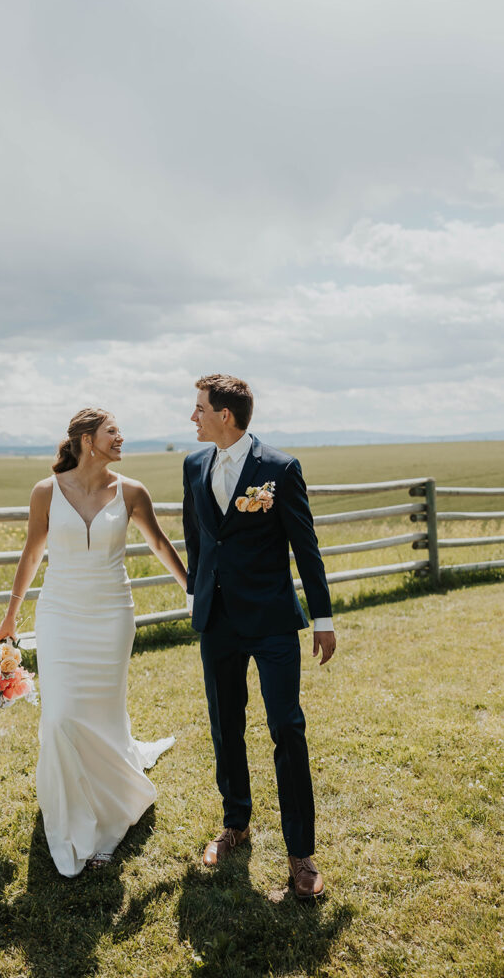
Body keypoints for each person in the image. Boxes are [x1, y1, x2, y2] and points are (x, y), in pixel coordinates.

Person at [0, 408, 187, 876]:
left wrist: (194, 588)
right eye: (112, 432)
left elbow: (160, 545)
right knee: (60, 716)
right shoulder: (45, 492)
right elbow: (32, 553)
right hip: (60, 615)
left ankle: (109, 812)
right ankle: (67, 803)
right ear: (86, 439)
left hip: (111, 617)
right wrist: (10, 616)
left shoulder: (133, 491)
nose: (121, 438)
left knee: (102, 714)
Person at [182, 374, 336, 899]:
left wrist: (323, 618)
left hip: (271, 620)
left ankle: (301, 855)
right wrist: (193, 597)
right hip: (218, 620)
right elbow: (197, 537)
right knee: (225, 725)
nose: (193, 417)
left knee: (286, 729)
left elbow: (305, 545)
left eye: (200, 408)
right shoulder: (194, 465)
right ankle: (235, 825)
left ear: (226, 414)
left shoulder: (279, 468)